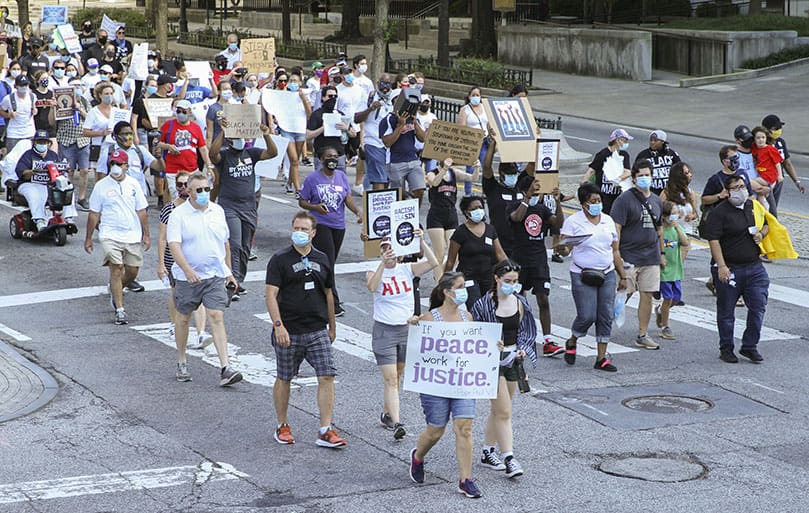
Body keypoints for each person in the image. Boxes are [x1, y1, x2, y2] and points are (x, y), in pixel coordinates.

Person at [265, 211, 346, 448]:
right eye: (296, 228)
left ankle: (325, 428)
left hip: (317, 329)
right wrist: (278, 325)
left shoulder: (322, 259)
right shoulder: (279, 260)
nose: (299, 233)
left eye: (303, 229)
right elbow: (271, 295)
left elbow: (329, 293)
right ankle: (282, 424)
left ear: (313, 233)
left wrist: (332, 325)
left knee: (327, 374)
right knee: (285, 377)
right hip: (289, 330)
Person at [408, 272, 482, 499]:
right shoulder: (430, 319)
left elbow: (475, 347)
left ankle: (465, 480)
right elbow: (418, 351)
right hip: (436, 384)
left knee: (464, 427)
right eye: (459, 287)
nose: (463, 291)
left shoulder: (467, 316)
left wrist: (491, 346)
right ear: (447, 292)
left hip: (462, 381)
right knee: (436, 430)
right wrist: (414, 326)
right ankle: (418, 457)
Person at [166, 171, 244, 385]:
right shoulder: (178, 215)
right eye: (198, 190)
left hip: (214, 275)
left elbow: (224, 244)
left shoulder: (217, 211)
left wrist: (229, 272)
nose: (203, 194)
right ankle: (181, 360)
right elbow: (174, 244)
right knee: (183, 318)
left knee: (216, 316)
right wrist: (187, 269)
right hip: (187, 278)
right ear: (189, 192)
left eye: (206, 189)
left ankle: (225, 367)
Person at [367, 232, 439, 441]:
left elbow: (434, 262)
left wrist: (422, 241)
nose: (389, 253)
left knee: (398, 376)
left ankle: (387, 414)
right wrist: (382, 264)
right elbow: (372, 287)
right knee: (390, 378)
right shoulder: (374, 270)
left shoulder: (407, 269)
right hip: (384, 331)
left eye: (391, 249)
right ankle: (397, 423)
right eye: (384, 248)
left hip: (406, 329)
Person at [471, 259, 538, 479]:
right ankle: (509, 457)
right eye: (508, 280)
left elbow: (527, 331)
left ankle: (488, 451)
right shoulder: (483, 305)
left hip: (513, 359)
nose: (511, 284)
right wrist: (491, 345)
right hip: (491, 362)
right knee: (505, 411)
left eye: (515, 281)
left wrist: (523, 350)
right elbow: (475, 335)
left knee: (499, 410)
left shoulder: (519, 302)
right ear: (497, 278)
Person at [555, 183, 625, 372]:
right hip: (582, 273)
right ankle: (572, 340)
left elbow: (615, 250)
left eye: (599, 200)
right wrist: (562, 248)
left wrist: (623, 275)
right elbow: (564, 248)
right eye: (592, 201)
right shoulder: (573, 222)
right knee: (586, 315)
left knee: (605, 315)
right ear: (584, 203)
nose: (596, 204)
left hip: (607, 272)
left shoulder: (608, 221)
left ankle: (601, 358)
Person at [702, 175, 769, 364]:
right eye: (735, 187)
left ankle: (749, 346)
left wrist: (761, 234)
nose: (740, 190)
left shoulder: (752, 206)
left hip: (754, 267)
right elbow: (713, 240)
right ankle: (726, 348)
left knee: (758, 307)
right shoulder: (719, 212)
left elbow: (766, 224)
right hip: (730, 268)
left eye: (742, 186)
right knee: (726, 312)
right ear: (727, 191)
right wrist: (721, 266)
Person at [209, 117, 277, 294]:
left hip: (249, 207)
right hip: (229, 206)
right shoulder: (224, 155)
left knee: (246, 246)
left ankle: (239, 277)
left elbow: (272, 153)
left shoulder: (251, 154)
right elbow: (212, 154)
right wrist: (223, 131)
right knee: (235, 244)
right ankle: (234, 280)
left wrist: (267, 135)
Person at [84, 150, 150, 325]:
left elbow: (142, 211)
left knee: (133, 271)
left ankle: (117, 288)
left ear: (126, 166)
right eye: (112, 163)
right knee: (116, 267)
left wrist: (146, 235)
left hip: (132, 234)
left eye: (119, 164)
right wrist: (89, 238)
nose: (115, 167)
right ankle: (119, 309)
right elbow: (93, 214)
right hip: (110, 234)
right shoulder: (101, 186)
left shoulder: (134, 184)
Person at [298, 146, 363, 317]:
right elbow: (302, 201)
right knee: (328, 263)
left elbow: (347, 198)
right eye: (328, 156)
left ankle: (315, 294)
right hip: (321, 224)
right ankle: (332, 302)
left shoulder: (341, 176)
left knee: (328, 262)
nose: (332, 159)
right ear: (321, 159)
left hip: (339, 225)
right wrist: (315, 207)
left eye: (335, 156)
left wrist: (357, 211)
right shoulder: (313, 178)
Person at [507, 175, 565, 357]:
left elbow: (558, 223)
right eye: (534, 190)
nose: (537, 194)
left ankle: (548, 340)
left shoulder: (542, 209)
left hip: (539, 261)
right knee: (517, 302)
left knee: (543, 300)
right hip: (519, 262)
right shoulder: (515, 205)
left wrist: (558, 203)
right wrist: (526, 198)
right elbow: (517, 218)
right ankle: (516, 336)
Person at [610, 160, 664, 350]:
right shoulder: (624, 200)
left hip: (651, 256)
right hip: (629, 256)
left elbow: (659, 227)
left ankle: (642, 334)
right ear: (633, 179)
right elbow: (617, 228)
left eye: (647, 175)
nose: (644, 178)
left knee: (647, 294)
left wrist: (662, 252)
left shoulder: (657, 200)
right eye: (640, 175)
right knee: (624, 292)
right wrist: (617, 255)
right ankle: (606, 321)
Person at [157, 171, 212, 351]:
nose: (181, 188)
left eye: (184, 185)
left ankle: (202, 332)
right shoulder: (170, 209)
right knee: (177, 293)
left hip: (194, 259)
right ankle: (175, 324)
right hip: (173, 259)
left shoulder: (200, 208)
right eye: (178, 185)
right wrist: (161, 263)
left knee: (200, 296)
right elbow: (163, 238)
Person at [444, 195, 508, 310]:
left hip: (488, 276)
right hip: (468, 276)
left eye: (480, 207)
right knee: (476, 307)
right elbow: (450, 261)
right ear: (466, 212)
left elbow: (500, 254)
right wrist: (444, 282)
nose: (478, 210)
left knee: (490, 308)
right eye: (473, 209)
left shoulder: (490, 229)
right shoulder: (460, 232)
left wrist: (509, 270)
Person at [425, 158, 478, 280]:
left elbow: (473, 178)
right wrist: (443, 169)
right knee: (440, 253)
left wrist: (477, 167)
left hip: (451, 214)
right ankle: (439, 285)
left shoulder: (454, 172)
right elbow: (435, 183)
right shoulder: (432, 173)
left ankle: (441, 275)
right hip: (436, 214)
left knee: (456, 252)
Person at [14, 130, 78, 231]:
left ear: (48, 143)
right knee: (37, 194)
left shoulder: (53, 155)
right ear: (34, 143)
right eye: (39, 142)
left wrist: (66, 169)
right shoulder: (28, 155)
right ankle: (40, 221)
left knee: (68, 188)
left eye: (44, 142)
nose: (42, 144)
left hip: (49, 184)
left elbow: (60, 170)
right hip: (30, 184)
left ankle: (69, 218)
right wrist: (32, 172)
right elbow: (21, 172)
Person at [156, 99, 213, 202]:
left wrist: (209, 166)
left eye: (184, 111)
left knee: (194, 196)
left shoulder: (196, 128)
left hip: (191, 169)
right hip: (173, 169)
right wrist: (168, 146)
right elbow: (156, 142)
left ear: (189, 112)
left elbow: (202, 147)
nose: (181, 114)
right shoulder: (168, 125)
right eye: (178, 111)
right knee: (176, 197)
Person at [481, 136, 526, 257]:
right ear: (501, 174)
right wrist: (493, 143)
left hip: (519, 242)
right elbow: (486, 167)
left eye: (514, 174)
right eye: (509, 174)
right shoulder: (493, 188)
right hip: (499, 242)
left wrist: (535, 142)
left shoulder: (520, 187)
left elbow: (532, 167)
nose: (513, 176)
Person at [655, 201, 689, 340]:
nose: (675, 216)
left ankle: (660, 311)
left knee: (675, 299)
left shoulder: (676, 228)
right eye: (672, 214)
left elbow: (685, 243)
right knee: (667, 298)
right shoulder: (660, 230)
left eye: (676, 213)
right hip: (664, 270)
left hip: (676, 270)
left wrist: (678, 228)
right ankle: (665, 326)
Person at [380, 104, 427, 204]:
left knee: (419, 189)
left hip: (413, 160)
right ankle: (398, 218)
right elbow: (387, 143)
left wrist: (415, 123)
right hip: (395, 162)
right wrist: (400, 125)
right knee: (398, 195)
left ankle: (414, 215)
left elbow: (423, 138)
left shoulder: (413, 119)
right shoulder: (388, 119)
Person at [274, 71, 311, 196]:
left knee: (296, 159)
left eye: (296, 81)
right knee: (294, 160)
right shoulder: (284, 96)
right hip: (287, 130)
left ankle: (290, 182)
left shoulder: (304, 95)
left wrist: (303, 99)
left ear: (300, 83)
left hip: (299, 130)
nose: (293, 83)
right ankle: (298, 188)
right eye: (292, 81)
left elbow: (309, 113)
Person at [58, 79, 92, 213]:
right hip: (67, 139)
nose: (77, 88)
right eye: (74, 85)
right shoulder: (62, 100)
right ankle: (68, 197)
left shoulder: (84, 101)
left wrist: (80, 109)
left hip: (82, 140)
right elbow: (54, 120)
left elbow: (90, 118)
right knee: (68, 171)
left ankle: (82, 198)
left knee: (84, 170)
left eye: (79, 85)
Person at [581, 128, 633, 214]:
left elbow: (627, 172)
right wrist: (583, 183)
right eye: (625, 140)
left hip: (617, 193)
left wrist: (618, 179)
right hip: (603, 194)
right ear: (617, 140)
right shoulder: (603, 154)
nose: (626, 143)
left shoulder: (624, 155)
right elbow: (591, 170)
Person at [357, 73, 394, 190]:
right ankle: (378, 205)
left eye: (388, 84)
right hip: (373, 142)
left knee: (386, 177)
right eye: (382, 83)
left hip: (390, 144)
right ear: (378, 84)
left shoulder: (395, 98)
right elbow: (357, 118)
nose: (385, 87)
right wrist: (371, 108)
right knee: (379, 177)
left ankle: (377, 201)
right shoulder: (369, 97)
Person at [761, 114, 805, 208]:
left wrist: (797, 181)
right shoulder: (760, 143)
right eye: (776, 128)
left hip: (778, 179)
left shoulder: (780, 142)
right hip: (764, 180)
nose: (779, 130)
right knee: (764, 205)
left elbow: (787, 163)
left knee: (773, 207)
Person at [306, 86, 354, 172]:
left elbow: (354, 134)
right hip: (322, 156)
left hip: (339, 155)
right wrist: (323, 128)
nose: (333, 99)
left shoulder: (340, 114)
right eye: (330, 96)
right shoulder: (316, 114)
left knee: (339, 182)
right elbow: (307, 135)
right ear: (323, 97)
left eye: (335, 96)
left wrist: (346, 128)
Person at [457, 86, 488, 197]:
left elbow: (489, 123)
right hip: (472, 143)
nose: (476, 97)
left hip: (485, 141)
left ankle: (486, 191)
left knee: (486, 166)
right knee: (470, 168)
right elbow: (462, 128)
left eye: (477, 95)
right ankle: (468, 193)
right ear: (469, 96)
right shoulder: (465, 110)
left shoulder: (485, 108)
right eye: (473, 95)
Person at [634, 129, 682, 196]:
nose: (652, 142)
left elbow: (679, 170)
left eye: (655, 140)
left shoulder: (671, 154)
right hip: (650, 192)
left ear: (662, 142)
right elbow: (635, 173)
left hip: (668, 192)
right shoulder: (643, 155)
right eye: (651, 140)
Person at [660, 161, 698, 240]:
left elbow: (695, 214)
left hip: (687, 233)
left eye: (689, 172)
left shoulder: (690, 193)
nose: (690, 175)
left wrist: (692, 216)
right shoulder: (666, 193)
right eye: (686, 173)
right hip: (670, 233)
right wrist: (675, 216)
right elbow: (659, 214)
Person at [750, 125, 783, 216]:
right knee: (761, 195)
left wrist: (780, 175)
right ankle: (765, 214)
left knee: (749, 181)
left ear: (766, 138)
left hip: (768, 176)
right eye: (758, 138)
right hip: (761, 175)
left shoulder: (770, 149)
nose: (761, 140)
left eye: (763, 137)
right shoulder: (754, 148)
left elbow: (777, 163)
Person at [0, 74, 36, 153]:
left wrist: (35, 111)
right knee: (12, 157)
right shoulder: (8, 98)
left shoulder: (32, 96)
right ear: (16, 86)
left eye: (26, 85)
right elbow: (1, 111)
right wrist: (9, 115)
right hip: (14, 133)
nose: (24, 87)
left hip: (29, 132)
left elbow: (34, 108)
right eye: (21, 85)